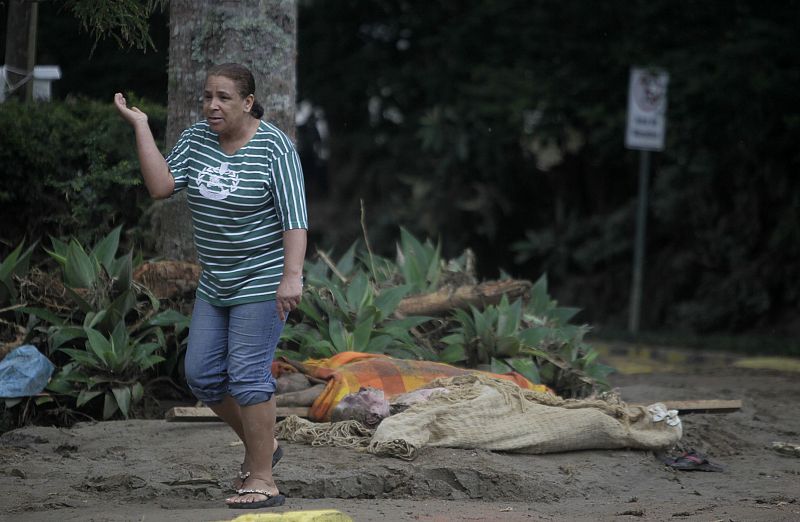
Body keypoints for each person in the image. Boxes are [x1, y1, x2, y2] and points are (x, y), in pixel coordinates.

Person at [114, 63, 307, 510]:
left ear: (247, 102)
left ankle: (263, 478)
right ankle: (266, 447)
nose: (211, 106)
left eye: (222, 97)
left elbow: (295, 218)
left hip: (262, 278)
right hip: (216, 280)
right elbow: (162, 185)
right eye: (206, 97)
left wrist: (291, 276)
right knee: (201, 374)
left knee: (246, 374)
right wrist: (142, 126)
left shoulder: (275, 147)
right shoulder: (197, 139)